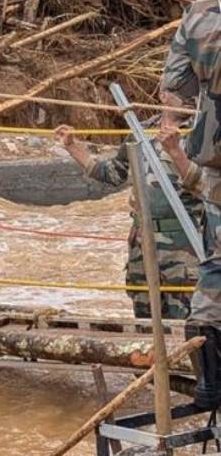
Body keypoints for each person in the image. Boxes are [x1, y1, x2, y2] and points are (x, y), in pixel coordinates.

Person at [56, 110, 201, 319]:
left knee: (189, 319)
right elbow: (114, 172)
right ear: (163, 93)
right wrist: (72, 147)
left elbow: (208, 185)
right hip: (142, 243)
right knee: (145, 318)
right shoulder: (140, 129)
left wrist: (177, 152)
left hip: (186, 244)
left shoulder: (203, 130)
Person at [157, 0, 221, 409]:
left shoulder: (199, 12)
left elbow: (173, 88)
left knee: (216, 265)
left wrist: (171, 130)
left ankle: (210, 380)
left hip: (214, 154)